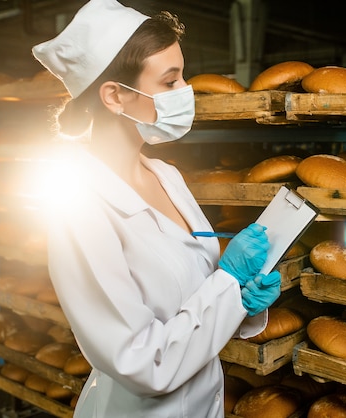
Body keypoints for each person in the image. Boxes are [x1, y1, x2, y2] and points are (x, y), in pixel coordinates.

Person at [32, 1, 282, 416]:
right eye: (170, 81)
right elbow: (144, 363)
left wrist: (243, 298)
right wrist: (226, 283)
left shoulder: (167, 175)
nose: (186, 91)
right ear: (114, 96)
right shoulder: (80, 207)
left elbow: (195, 298)